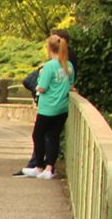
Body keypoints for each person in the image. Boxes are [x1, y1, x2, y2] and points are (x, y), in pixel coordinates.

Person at [21, 31, 75, 179]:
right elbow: (71, 84)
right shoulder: (68, 65)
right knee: (53, 136)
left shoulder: (49, 66)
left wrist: (38, 85)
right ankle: (49, 168)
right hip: (62, 107)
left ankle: (39, 166)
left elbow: (42, 87)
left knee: (37, 135)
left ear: (49, 48)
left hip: (48, 108)